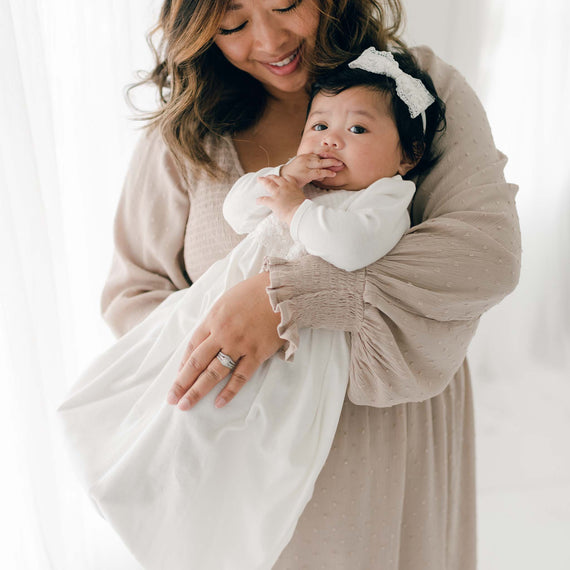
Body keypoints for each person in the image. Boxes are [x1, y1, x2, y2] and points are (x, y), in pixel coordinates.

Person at [71, 0, 521, 568]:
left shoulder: (416, 96)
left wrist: (284, 297)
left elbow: (486, 254)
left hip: (387, 447)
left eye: (285, 3)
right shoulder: (186, 137)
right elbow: (134, 290)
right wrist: (212, 355)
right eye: (232, 23)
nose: (269, 40)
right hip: (245, 458)